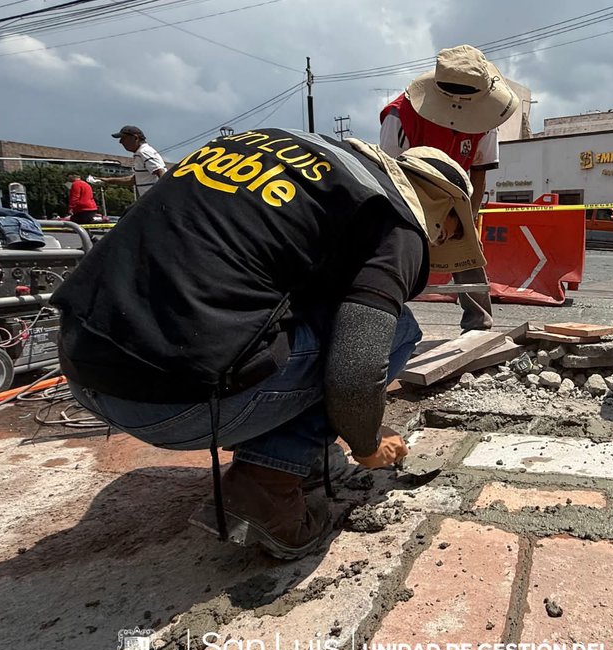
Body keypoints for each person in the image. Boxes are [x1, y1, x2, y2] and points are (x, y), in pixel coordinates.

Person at [52, 128, 486, 560]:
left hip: (82, 365)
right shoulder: (396, 222)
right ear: (442, 207)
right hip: (174, 404)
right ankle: (267, 484)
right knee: (398, 330)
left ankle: (296, 453)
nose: (442, 241)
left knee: (309, 312)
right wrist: (367, 442)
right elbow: (356, 368)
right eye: (450, 229)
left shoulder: (294, 154)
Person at [379, 45, 518, 332]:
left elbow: (479, 173)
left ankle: (479, 324)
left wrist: (470, 218)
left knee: (468, 250)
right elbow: (390, 174)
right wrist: (420, 221)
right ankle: (384, 322)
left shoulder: (486, 117)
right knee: (396, 251)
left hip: (457, 193)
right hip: (409, 189)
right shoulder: (401, 115)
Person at [97, 125, 167, 200]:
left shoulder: (144, 152)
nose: (120, 142)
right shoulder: (141, 152)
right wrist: (108, 180)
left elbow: (161, 172)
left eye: (123, 138)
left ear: (135, 138)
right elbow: (134, 179)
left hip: (155, 201)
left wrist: (162, 197)